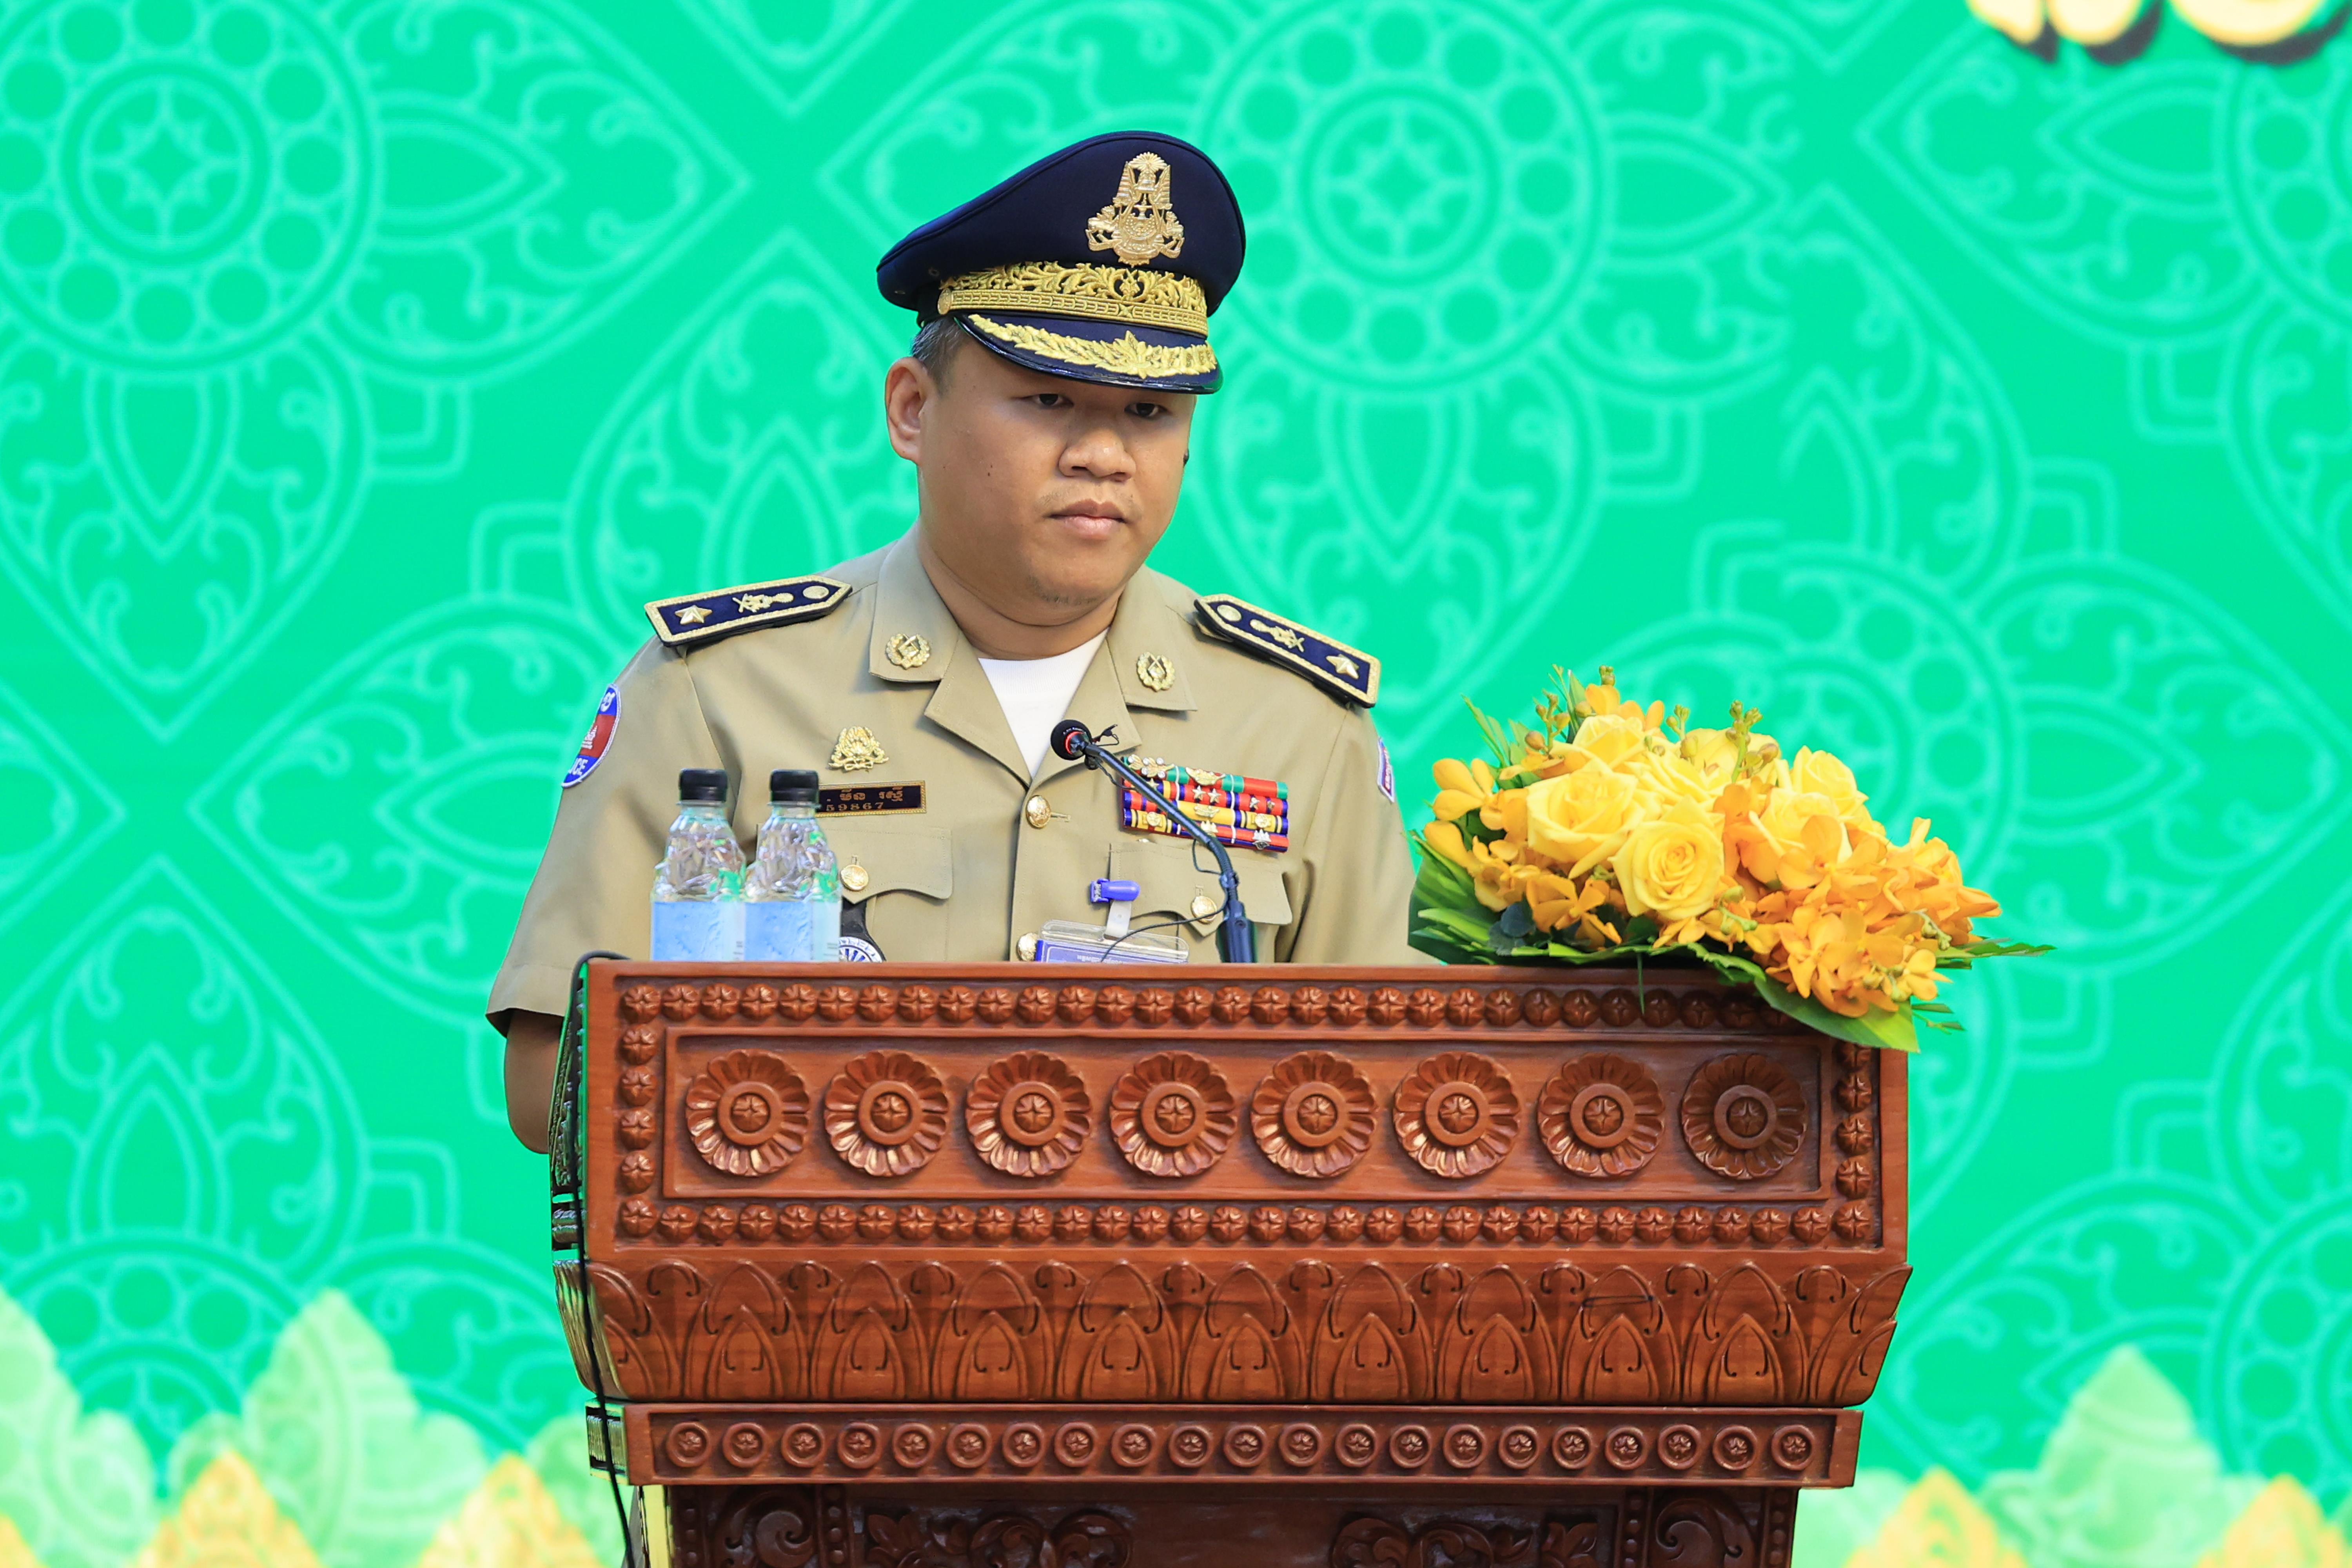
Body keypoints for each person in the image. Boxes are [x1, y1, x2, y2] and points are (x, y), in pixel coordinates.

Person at [493, 131, 1417, 1153]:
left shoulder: (1299, 725)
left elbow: (1399, 1095)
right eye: (1049, 399)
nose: (1103, 454)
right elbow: (552, 1086)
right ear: (912, 410)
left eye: (1149, 412)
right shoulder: (719, 693)